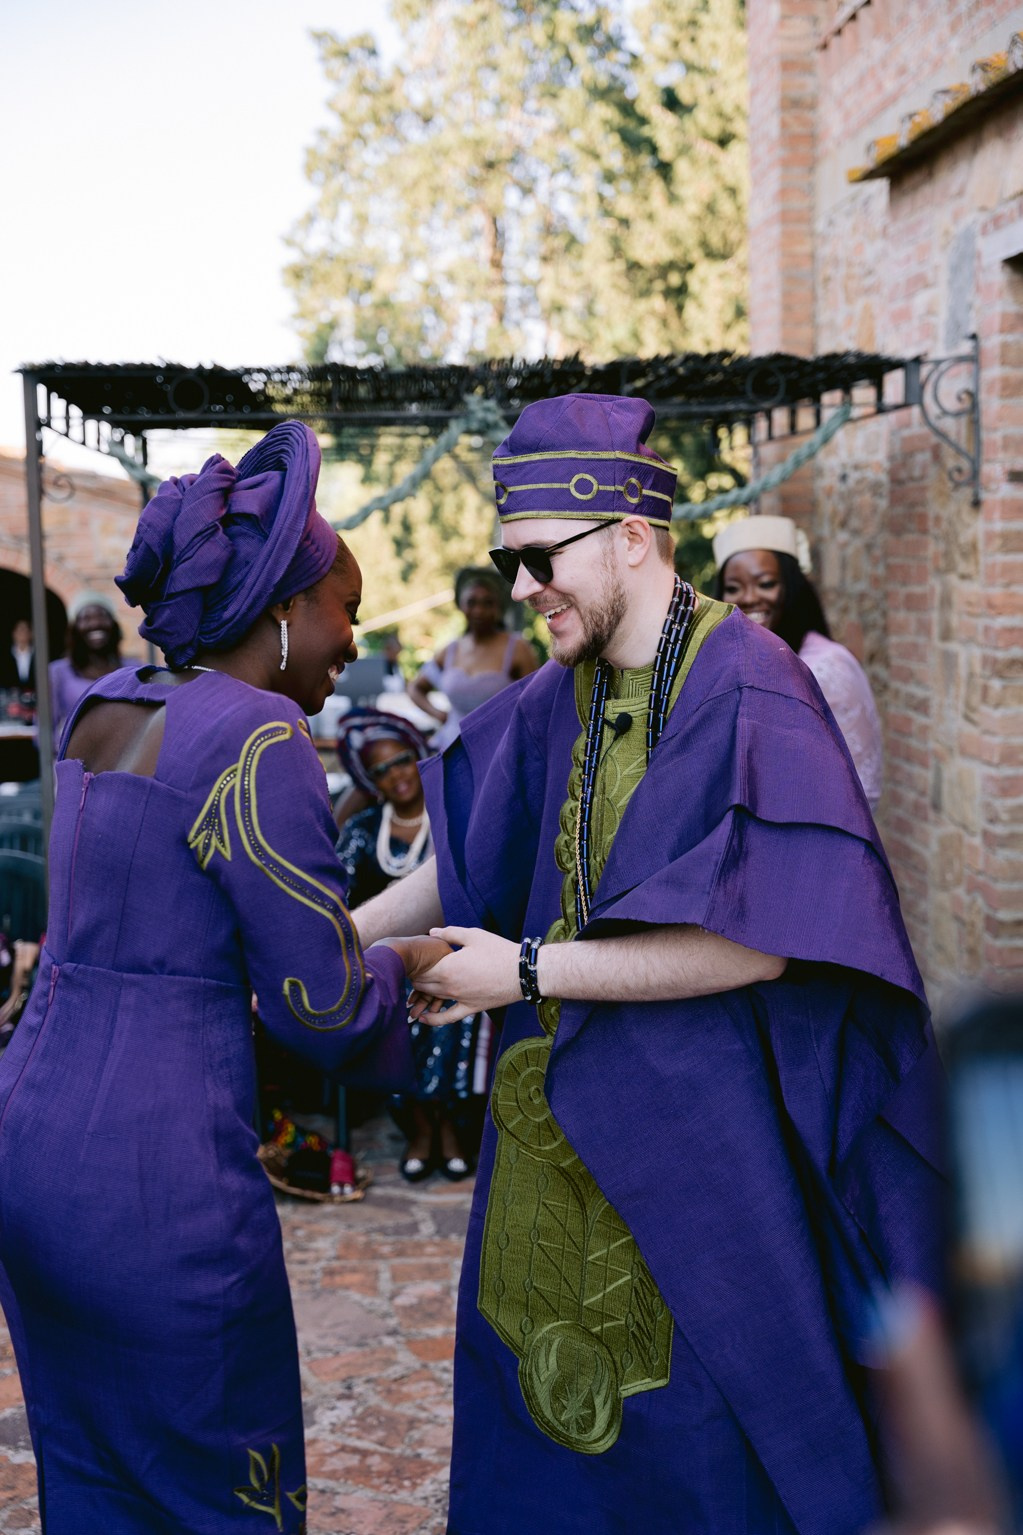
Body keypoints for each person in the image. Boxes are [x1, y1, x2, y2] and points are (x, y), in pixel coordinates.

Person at [352, 393, 945, 1535]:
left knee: (699, 1448)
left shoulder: (753, 683)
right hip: (552, 1141)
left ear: (631, 534)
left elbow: (763, 943)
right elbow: (469, 850)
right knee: (542, 1435)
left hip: (701, 1149)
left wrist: (524, 972)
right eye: (506, 559)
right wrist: (344, 933)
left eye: (539, 558)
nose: (521, 587)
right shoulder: (563, 686)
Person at [0, 421, 444, 1534]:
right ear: (285, 607)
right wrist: (412, 960)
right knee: (219, 1489)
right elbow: (326, 1006)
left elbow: (161, 922)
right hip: (161, 1179)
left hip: (35, 1142)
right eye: (345, 605)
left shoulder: (103, 712)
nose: (353, 636)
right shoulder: (259, 737)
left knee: (96, 1470)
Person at [336, 708, 483, 1181]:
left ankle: (447, 1127)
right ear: (368, 780)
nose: (395, 775)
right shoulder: (362, 832)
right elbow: (335, 897)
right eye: (379, 770)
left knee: (453, 996)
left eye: (400, 761)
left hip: (452, 953)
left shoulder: (452, 817)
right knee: (398, 1005)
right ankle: (422, 1127)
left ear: (418, 758)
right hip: (387, 963)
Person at [713, 514, 883, 808]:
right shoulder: (743, 665)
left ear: (790, 586)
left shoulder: (826, 668)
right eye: (733, 588)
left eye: (765, 583)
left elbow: (858, 790)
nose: (749, 598)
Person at [408, 565, 538, 748]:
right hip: (453, 746)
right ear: (461, 606)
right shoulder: (450, 650)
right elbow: (415, 688)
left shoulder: (517, 648)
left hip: (500, 748)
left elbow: (536, 701)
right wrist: (440, 715)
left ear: (499, 607)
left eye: (487, 603)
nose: (479, 611)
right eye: (472, 602)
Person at [49, 591, 126, 741]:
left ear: (113, 624)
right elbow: (45, 730)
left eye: (102, 616)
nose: (95, 623)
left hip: (126, 759)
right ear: (74, 628)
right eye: (86, 618)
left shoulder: (132, 668)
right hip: (75, 759)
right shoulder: (58, 672)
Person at [0, 619, 35, 693]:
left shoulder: (37, 655)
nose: (22, 634)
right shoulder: (5, 657)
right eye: (19, 631)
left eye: (25, 631)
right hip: (11, 700)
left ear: (30, 634)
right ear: (14, 634)